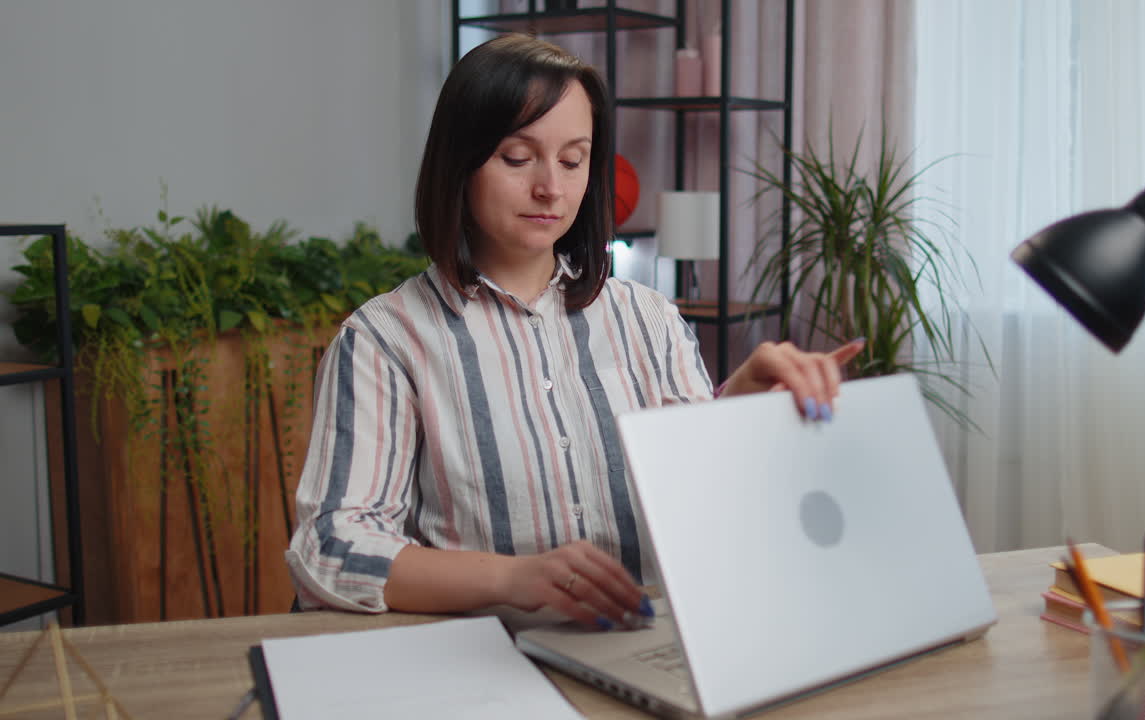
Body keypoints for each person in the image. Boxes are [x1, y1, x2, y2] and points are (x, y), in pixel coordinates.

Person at [286, 34, 862, 631]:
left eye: (573, 160)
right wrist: (513, 580)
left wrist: (741, 404)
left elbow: (700, 511)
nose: (551, 188)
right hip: (490, 654)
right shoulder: (386, 340)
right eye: (517, 158)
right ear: (460, 161)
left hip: (652, 644)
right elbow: (332, 547)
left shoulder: (651, 321)